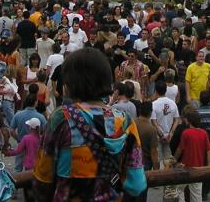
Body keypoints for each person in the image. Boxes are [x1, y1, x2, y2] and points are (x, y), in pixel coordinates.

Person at [33, 47, 146, 201]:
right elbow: (137, 185)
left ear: (70, 83)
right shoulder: (125, 121)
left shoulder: (61, 118)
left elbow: (43, 177)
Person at [173, 107, 210, 202]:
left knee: (178, 190)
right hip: (198, 168)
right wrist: (209, 167)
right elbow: (208, 151)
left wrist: (174, 160)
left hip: (185, 167)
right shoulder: (204, 133)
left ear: (189, 120)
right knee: (197, 195)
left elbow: (180, 149)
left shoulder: (186, 133)